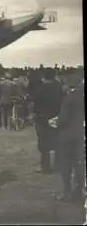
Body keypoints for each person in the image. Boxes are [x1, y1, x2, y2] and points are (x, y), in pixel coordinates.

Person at [52, 73, 85, 202]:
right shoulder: (80, 96)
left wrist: (54, 122)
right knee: (79, 163)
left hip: (67, 135)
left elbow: (63, 120)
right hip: (79, 133)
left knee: (66, 164)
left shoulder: (68, 99)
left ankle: (67, 192)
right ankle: (79, 191)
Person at [33, 68, 64, 174]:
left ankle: (45, 167)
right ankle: (59, 166)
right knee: (58, 142)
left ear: (44, 77)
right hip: (57, 117)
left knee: (43, 144)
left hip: (43, 120)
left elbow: (36, 107)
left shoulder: (39, 90)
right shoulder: (60, 88)